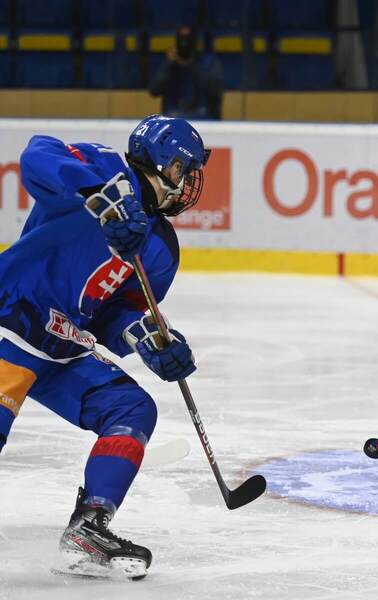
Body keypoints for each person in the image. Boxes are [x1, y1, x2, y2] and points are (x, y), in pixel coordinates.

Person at [0, 115, 210, 578]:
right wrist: (98, 196)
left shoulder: (161, 248)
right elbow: (37, 154)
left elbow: (117, 315)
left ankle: (89, 528)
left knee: (133, 411)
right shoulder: (104, 166)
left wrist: (151, 340)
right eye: (181, 169)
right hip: (9, 320)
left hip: (60, 344)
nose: (186, 183)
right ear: (157, 160)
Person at [149, 24, 224, 120]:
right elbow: (154, 91)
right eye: (181, 39)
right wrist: (169, 65)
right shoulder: (170, 64)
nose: (184, 44)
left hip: (204, 120)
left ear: (195, 43)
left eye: (188, 39)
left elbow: (214, 91)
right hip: (173, 120)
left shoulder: (209, 63)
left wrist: (192, 64)